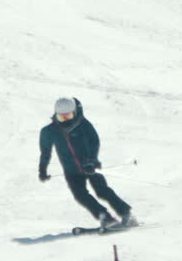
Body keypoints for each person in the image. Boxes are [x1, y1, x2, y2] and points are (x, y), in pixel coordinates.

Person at [38, 97, 135, 229]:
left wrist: (92, 160)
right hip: (71, 171)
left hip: (90, 166)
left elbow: (94, 141)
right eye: (61, 117)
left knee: (102, 191)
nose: (65, 120)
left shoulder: (83, 124)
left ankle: (126, 213)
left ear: (74, 113)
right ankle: (106, 217)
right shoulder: (49, 131)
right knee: (80, 195)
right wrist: (42, 169)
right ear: (56, 114)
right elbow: (45, 152)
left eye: (68, 116)